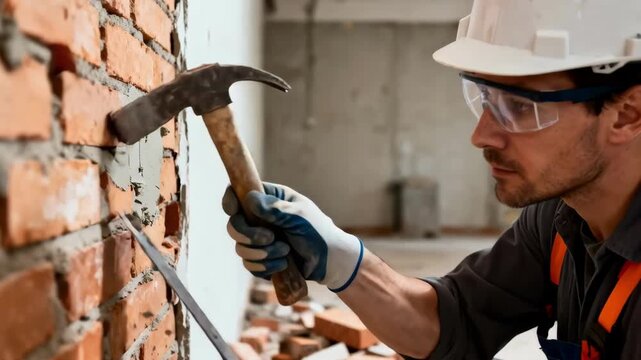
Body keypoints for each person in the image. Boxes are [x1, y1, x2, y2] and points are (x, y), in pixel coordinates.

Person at [221, 0, 641, 358]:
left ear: (627, 113)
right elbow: (454, 320)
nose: (481, 136)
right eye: (484, 98)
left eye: (518, 107)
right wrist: (341, 258)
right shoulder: (560, 219)